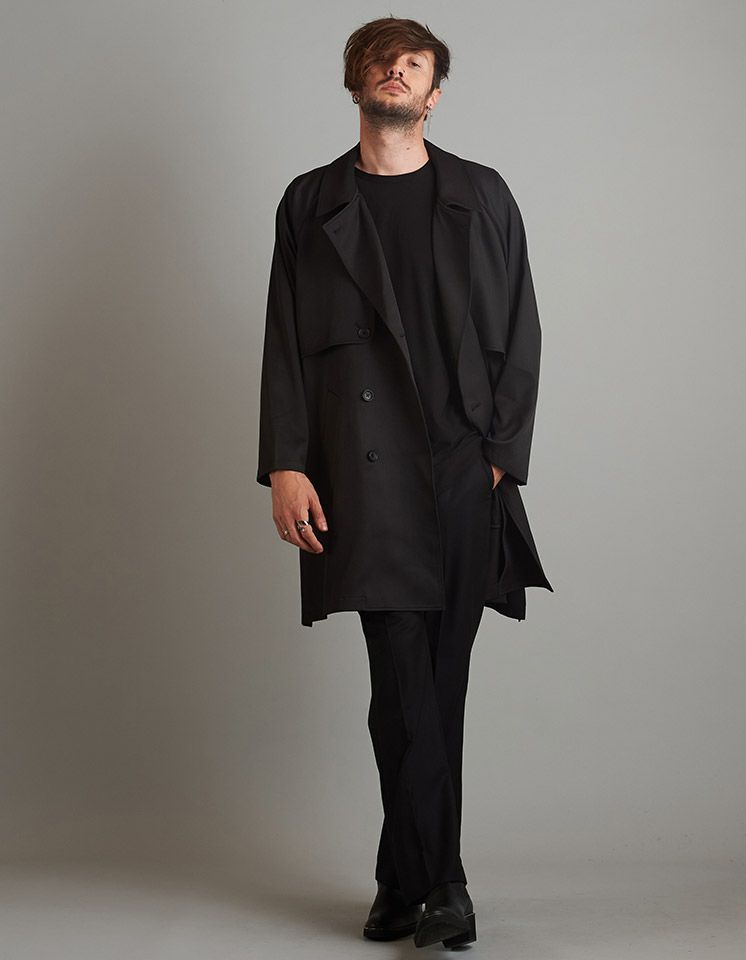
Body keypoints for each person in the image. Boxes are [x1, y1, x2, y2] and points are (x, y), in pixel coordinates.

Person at [257, 15, 553, 950]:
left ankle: (398, 880)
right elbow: (282, 341)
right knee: (401, 672)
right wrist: (287, 463)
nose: (396, 70)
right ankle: (445, 885)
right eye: (380, 60)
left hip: (463, 468)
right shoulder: (310, 202)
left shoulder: (482, 194)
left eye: (413, 62)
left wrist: (500, 453)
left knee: (437, 678)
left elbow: (523, 325)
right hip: (363, 471)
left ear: (433, 94)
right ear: (357, 83)